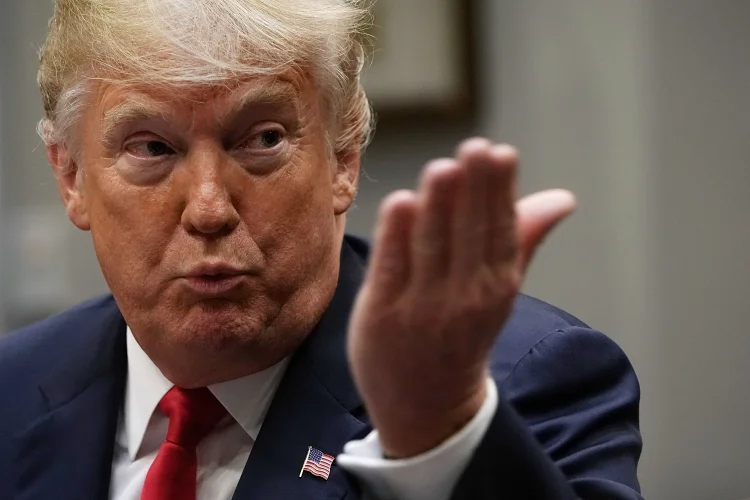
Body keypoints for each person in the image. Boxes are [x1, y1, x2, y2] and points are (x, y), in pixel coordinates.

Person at [0, 1, 643, 499]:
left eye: (263, 139)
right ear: (72, 177)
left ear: (344, 156)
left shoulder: (517, 384)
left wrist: (438, 433)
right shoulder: (12, 388)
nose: (208, 208)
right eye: (150, 148)